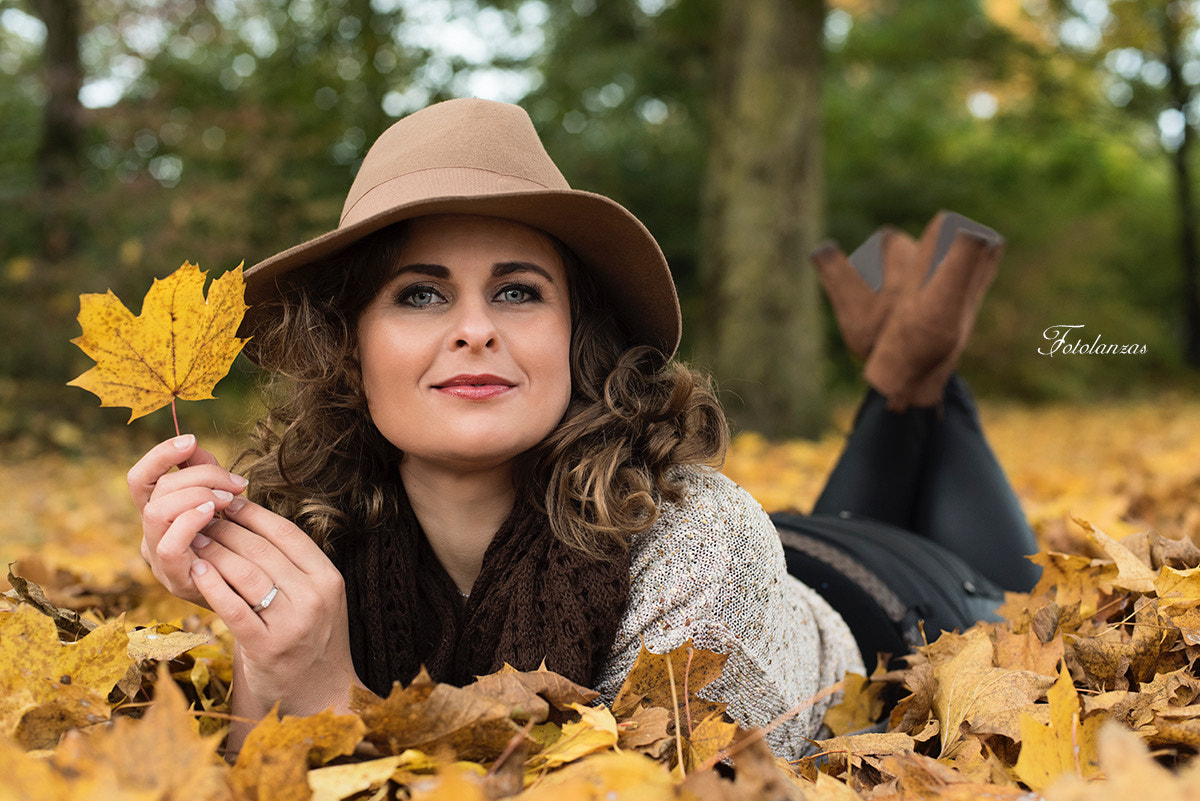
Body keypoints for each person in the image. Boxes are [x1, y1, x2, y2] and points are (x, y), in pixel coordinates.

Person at [127, 98, 1039, 762]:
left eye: (518, 291)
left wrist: (334, 695)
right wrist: (265, 645)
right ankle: (906, 368)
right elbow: (267, 763)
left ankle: (917, 372)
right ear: (350, 350)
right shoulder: (317, 539)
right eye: (420, 293)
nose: (474, 327)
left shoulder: (703, 543)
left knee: (949, 465)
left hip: (903, 595)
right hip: (797, 548)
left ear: (575, 337)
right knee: (899, 404)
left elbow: (656, 788)